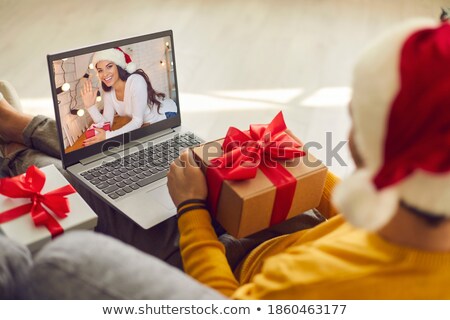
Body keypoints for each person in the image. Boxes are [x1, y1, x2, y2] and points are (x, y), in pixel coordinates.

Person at [6, 17, 450, 300]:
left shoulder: (311, 286)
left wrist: (193, 209)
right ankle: (17, 130)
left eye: (355, 118)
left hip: (223, 257)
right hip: (287, 230)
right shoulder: (415, 217)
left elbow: (219, 303)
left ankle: (15, 145)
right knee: (158, 151)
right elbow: (106, 120)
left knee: (69, 180)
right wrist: (291, 162)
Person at [81, 47, 177, 146]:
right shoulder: (109, 92)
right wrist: (91, 107)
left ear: (118, 66)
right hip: (147, 128)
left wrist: (108, 136)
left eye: (109, 66)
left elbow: (137, 121)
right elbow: (106, 124)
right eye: (100, 70)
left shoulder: (136, 81)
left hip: (167, 116)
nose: (105, 74)